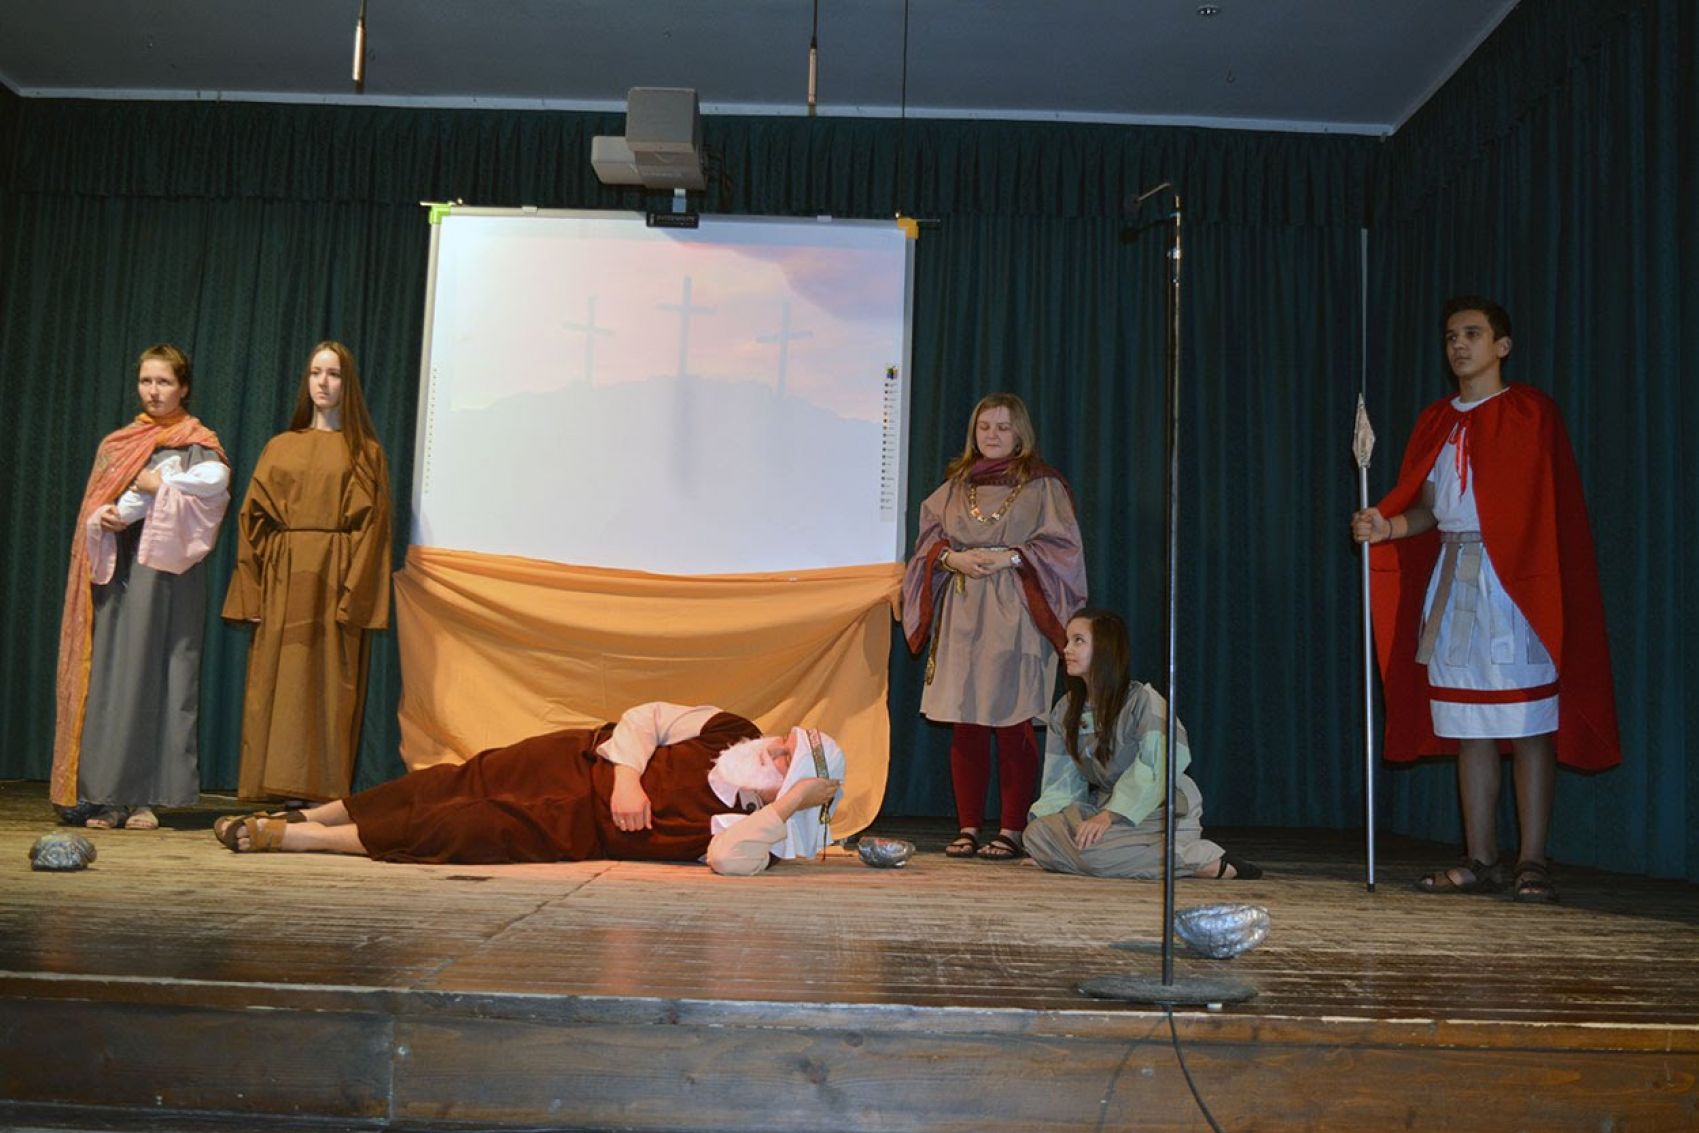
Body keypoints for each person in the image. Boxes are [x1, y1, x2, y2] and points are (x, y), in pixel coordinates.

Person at [1351, 297, 1620, 903]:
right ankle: (1480, 857)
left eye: (1472, 334)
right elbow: (1427, 508)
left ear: (1502, 346)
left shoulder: (1531, 413)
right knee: (1471, 727)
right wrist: (1387, 526)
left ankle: (1532, 860)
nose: (1459, 345)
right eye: (1451, 336)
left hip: (1518, 586)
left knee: (1528, 725)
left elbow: (1550, 509)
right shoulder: (1436, 421)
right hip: (1456, 581)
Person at [214, 702, 846, 877]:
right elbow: (646, 717)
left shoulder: (747, 834)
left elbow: (726, 860)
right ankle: (311, 814)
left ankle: (297, 840)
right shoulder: (733, 731)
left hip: (570, 831)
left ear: (786, 789)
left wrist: (791, 807)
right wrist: (628, 779)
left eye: (787, 761)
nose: (774, 747)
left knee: (458, 828)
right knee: (445, 783)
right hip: (571, 759)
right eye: (786, 740)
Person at [50, 344, 232, 830]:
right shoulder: (119, 444)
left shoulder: (199, 445)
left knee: (161, 675)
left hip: (169, 579)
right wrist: (103, 518)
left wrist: (162, 490)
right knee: (115, 677)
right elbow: (95, 506)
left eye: (164, 382)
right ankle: (109, 795)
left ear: (184, 387)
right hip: (119, 573)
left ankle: (149, 797)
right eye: (146, 381)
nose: (154, 391)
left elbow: (210, 510)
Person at [901, 393, 1087, 861]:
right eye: (984, 427)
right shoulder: (955, 486)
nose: (992, 435)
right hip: (963, 611)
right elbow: (927, 544)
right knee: (965, 719)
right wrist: (951, 558)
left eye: (1003, 427)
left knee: (1011, 720)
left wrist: (1014, 557)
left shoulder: (1043, 486)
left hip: (1017, 611)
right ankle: (967, 827)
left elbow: (1064, 549)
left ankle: (1011, 829)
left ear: (1020, 432)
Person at [223, 341, 391, 802]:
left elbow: (374, 531)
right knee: (277, 681)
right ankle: (275, 784)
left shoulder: (366, 452)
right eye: (316, 372)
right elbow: (252, 521)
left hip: (335, 579)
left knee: (328, 684)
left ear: (348, 384)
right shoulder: (280, 447)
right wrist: (252, 591)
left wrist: (353, 595)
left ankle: (319, 789)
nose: (323, 382)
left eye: (334, 374)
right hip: (284, 577)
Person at [1024, 609, 1258, 879]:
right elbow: (1061, 781)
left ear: (1105, 649)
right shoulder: (1066, 709)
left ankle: (1195, 858)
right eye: (1068, 641)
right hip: (1104, 805)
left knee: (1095, 855)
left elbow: (1157, 768)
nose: (1067, 649)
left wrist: (1109, 816)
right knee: (1036, 834)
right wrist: (1048, 838)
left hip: (1156, 807)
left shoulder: (1144, 701)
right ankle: (1104, 856)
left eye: (1078, 641)